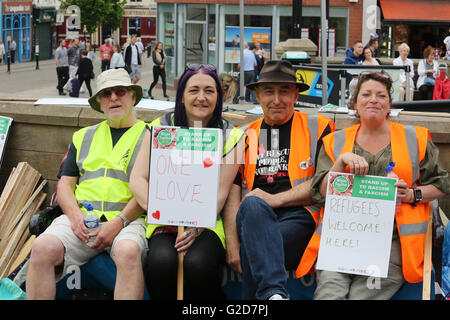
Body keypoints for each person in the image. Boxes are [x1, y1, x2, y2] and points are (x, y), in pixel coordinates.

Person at [296, 71, 450, 300]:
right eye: (366, 94)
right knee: (328, 295)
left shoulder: (415, 138)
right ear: (355, 104)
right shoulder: (335, 141)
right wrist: (341, 162)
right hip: (342, 240)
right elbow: (320, 193)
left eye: (381, 95)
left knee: (361, 297)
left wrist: (411, 194)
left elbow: (441, 184)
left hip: (392, 244)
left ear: (389, 104)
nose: (373, 100)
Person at [26, 69, 149, 300]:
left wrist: (118, 222)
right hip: (82, 219)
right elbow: (65, 184)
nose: (113, 97)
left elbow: (150, 191)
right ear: (99, 103)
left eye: (120, 91)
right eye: (105, 94)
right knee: (42, 248)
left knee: (128, 252)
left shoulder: (150, 136)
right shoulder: (83, 136)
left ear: (132, 97)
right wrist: (74, 217)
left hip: (128, 221)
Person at [129, 63, 244, 300]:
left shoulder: (231, 135)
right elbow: (137, 179)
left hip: (209, 221)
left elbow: (221, 193)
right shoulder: (160, 128)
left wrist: (196, 226)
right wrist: (164, 211)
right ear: (182, 95)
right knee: (161, 263)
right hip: (163, 219)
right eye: (194, 90)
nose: (201, 97)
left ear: (218, 97)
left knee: (198, 264)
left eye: (209, 91)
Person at [222, 60, 335, 300]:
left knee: (259, 247)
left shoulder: (319, 127)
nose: (277, 99)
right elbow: (232, 191)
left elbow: (324, 182)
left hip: (302, 215)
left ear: (295, 95)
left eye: (284, 91)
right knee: (253, 206)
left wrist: (273, 199)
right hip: (252, 218)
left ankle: (269, 295)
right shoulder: (245, 134)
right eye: (269, 91)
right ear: (257, 95)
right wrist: (232, 244)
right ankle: (274, 293)